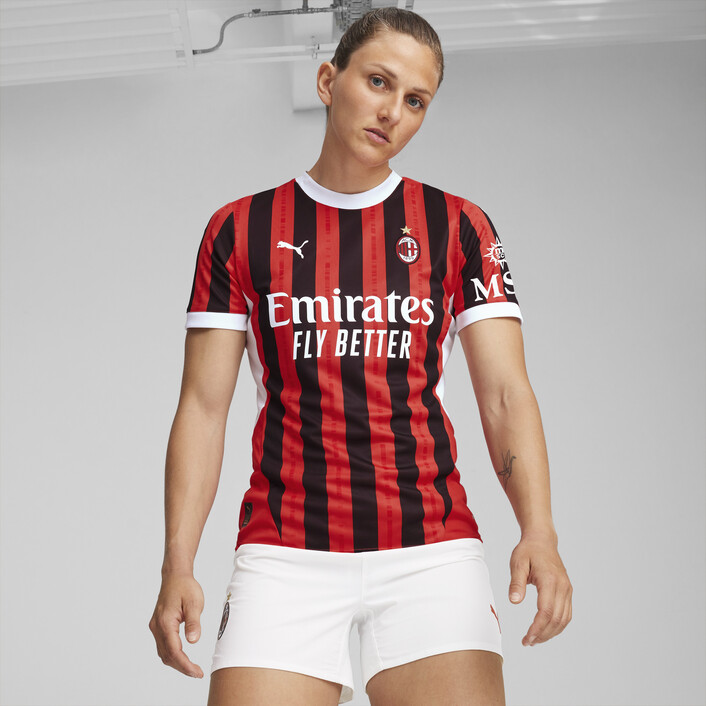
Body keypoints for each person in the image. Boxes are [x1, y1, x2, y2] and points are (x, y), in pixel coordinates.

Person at [149, 7, 572, 706]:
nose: (393, 111)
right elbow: (202, 408)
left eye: (416, 100)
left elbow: (505, 393)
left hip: (429, 548)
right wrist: (178, 563)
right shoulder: (239, 228)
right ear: (328, 80)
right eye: (379, 82)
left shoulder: (459, 226)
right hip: (285, 549)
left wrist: (540, 531)